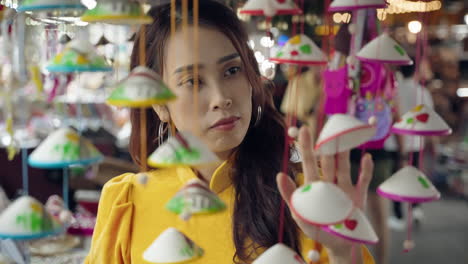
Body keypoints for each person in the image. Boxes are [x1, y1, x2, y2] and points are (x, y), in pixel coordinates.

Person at [85, 1, 375, 263]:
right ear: (160, 105)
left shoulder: (307, 197)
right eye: (193, 80)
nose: (221, 97)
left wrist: (342, 253)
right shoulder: (128, 202)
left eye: (232, 71)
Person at [385, 62, 435, 229]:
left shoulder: (394, 90)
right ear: (415, 72)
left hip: (394, 142)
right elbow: (430, 117)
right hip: (415, 142)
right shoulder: (422, 92)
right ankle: (416, 210)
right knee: (415, 175)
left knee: (396, 178)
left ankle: (397, 215)